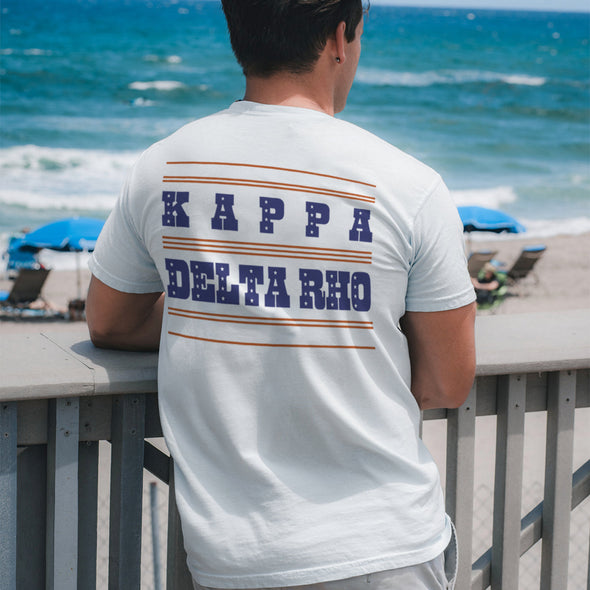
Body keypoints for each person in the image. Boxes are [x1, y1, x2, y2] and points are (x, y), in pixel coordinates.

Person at [86, 1, 476, 588]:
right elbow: (445, 382)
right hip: (386, 544)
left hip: (236, 558)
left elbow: (110, 322)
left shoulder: (161, 166)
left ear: (239, 34)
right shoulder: (410, 184)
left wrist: (226, 308)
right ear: (340, 39)